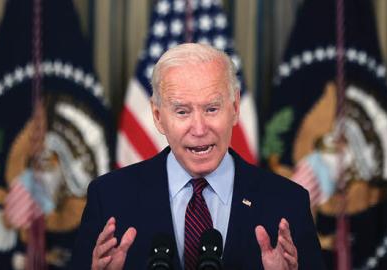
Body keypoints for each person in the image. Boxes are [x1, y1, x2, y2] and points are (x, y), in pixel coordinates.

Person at [70, 43, 325, 270]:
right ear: (158, 117)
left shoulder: (288, 203)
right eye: (182, 112)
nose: (200, 129)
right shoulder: (110, 198)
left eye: (212, 109)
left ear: (235, 108)